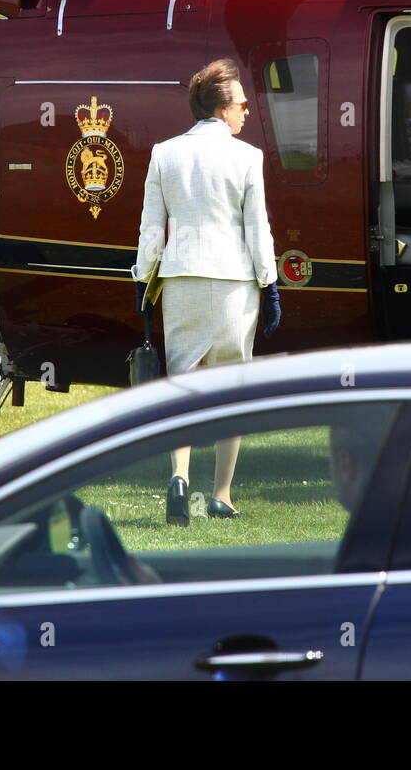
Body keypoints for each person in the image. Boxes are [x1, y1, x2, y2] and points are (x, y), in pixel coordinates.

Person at [131, 58, 280, 525]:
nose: (246, 112)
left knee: (182, 383)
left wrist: (144, 279)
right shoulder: (248, 156)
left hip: (180, 277)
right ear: (222, 108)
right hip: (234, 280)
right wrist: (270, 283)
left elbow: (151, 229)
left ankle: (179, 475)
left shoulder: (164, 153)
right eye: (240, 104)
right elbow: (258, 229)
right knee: (230, 390)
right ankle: (221, 493)